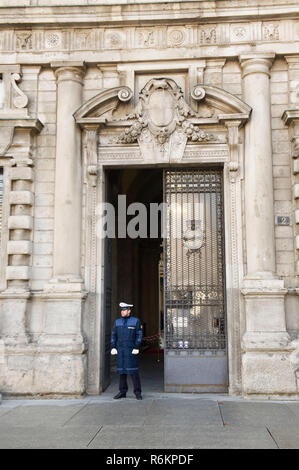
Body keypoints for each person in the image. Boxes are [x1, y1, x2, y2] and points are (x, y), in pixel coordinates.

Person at [111, 302, 143, 400]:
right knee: (122, 372)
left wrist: (137, 347)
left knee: (133, 372)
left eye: (124, 310)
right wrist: (113, 346)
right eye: (122, 310)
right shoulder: (117, 322)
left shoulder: (135, 321)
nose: (122, 312)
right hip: (121, 349)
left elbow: (139, 334)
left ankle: (137, 392)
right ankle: (122, 391)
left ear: (129, 311)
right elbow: (114, 334)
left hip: (131, 349)